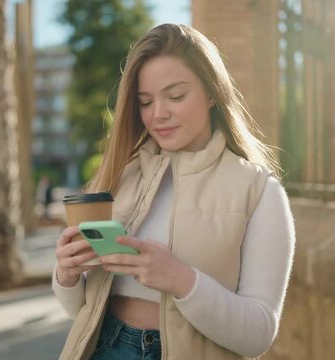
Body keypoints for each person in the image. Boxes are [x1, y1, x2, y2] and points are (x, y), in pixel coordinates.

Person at [52, 23, 295, 360]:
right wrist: (66, 276)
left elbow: (258, 335)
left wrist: (181, 280)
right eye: (145, 101)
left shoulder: (260, 191)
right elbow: (81, 310)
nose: (158, 114)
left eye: (176, 96)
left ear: (211, 93)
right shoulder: (121, 176)